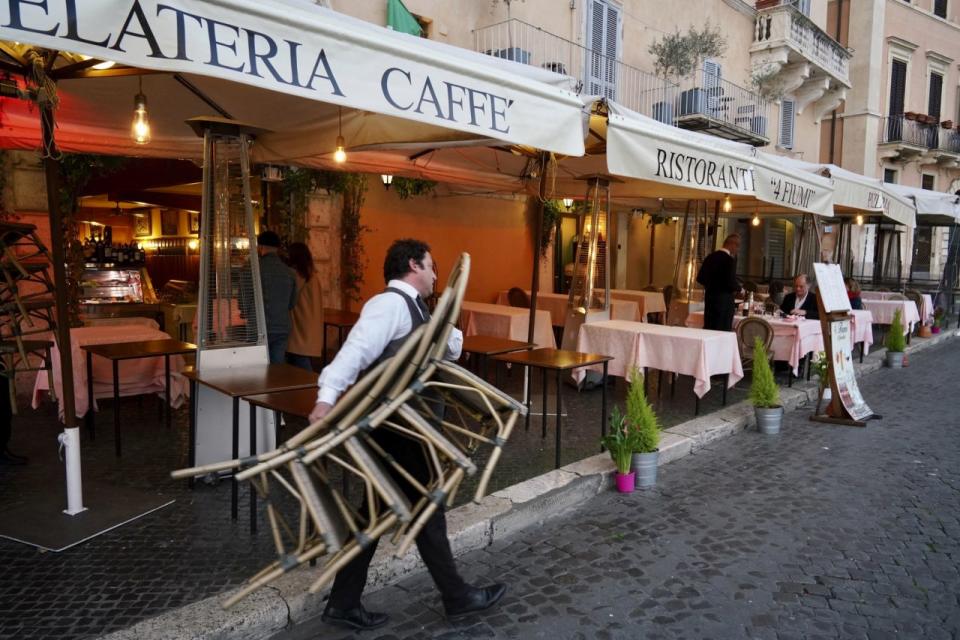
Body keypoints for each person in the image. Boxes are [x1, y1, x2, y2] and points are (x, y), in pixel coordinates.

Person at [309, 238, 506, 631]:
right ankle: (457, 598)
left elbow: (450, 348)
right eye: (432, 267)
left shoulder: (416, 309)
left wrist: (441, 318)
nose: (436, 275)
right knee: (427, 510)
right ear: (414, 265)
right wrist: (327, 398)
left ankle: (343, 603)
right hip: (396, 430)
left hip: (401, 428)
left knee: (373, 517)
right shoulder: (389, 305)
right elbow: (355, 351)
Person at [256, 230, 297, 364]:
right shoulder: (289, 272)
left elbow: (243, 302)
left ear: (260, 247)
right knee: (278, 368)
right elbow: (292, 303)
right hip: (282, 326)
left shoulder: (253, 270)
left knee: (260, 367)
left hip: (260, 327)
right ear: (278, 248)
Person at [284, 242, 324, 372]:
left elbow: (290, 298)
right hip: (310, 325)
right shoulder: (312, 275)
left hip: (300, 327)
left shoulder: (297, 276)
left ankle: (312, 389)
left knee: (301, 363)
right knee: (301, 360)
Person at [696, 233, 741, 331]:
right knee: (722, 331)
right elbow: (730, 283)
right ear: (732, 244)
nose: (737, 250)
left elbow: (700, 278)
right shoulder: (729, 260)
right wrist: (739, 288)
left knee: (709, 328)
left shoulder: (710, 257)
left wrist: (711, 285)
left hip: (710, 300)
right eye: (737, 246)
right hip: (724, 302)